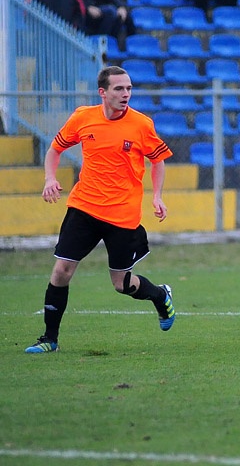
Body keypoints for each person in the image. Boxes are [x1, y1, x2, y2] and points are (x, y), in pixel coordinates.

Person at [24, 66, 175, 354]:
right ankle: (50, 339)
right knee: (61, 271)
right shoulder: (83, 117)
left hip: (122, 214)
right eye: (119, 89)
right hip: (84, 207)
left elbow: (158, 160)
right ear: (102, 92)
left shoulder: (141, 124)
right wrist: (50, 178)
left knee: (121, 284)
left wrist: (157, 196)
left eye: (129, 88)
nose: (126, 94)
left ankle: (159, 295)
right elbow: (55, 149)